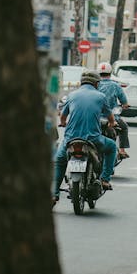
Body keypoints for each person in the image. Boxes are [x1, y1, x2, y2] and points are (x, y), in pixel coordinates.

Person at [52, 69, 117, 207]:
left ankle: (54, 193)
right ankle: (105, 179)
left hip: (70, 140)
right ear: (96, 83)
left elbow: (63, 117)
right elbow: (110, 117)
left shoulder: (72, 95)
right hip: (93, 139)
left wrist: (63, 123)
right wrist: (112, 124)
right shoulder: (100, 96)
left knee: (59, 161)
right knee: (111, 147)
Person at [97, 61, 131, 158]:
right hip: (112, 118)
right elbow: (124, 101)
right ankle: (122, 150)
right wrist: (125, 105)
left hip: (96, 117)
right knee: (124, 128)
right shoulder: (115, 85)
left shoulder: (96, 84)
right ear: (110, 73)